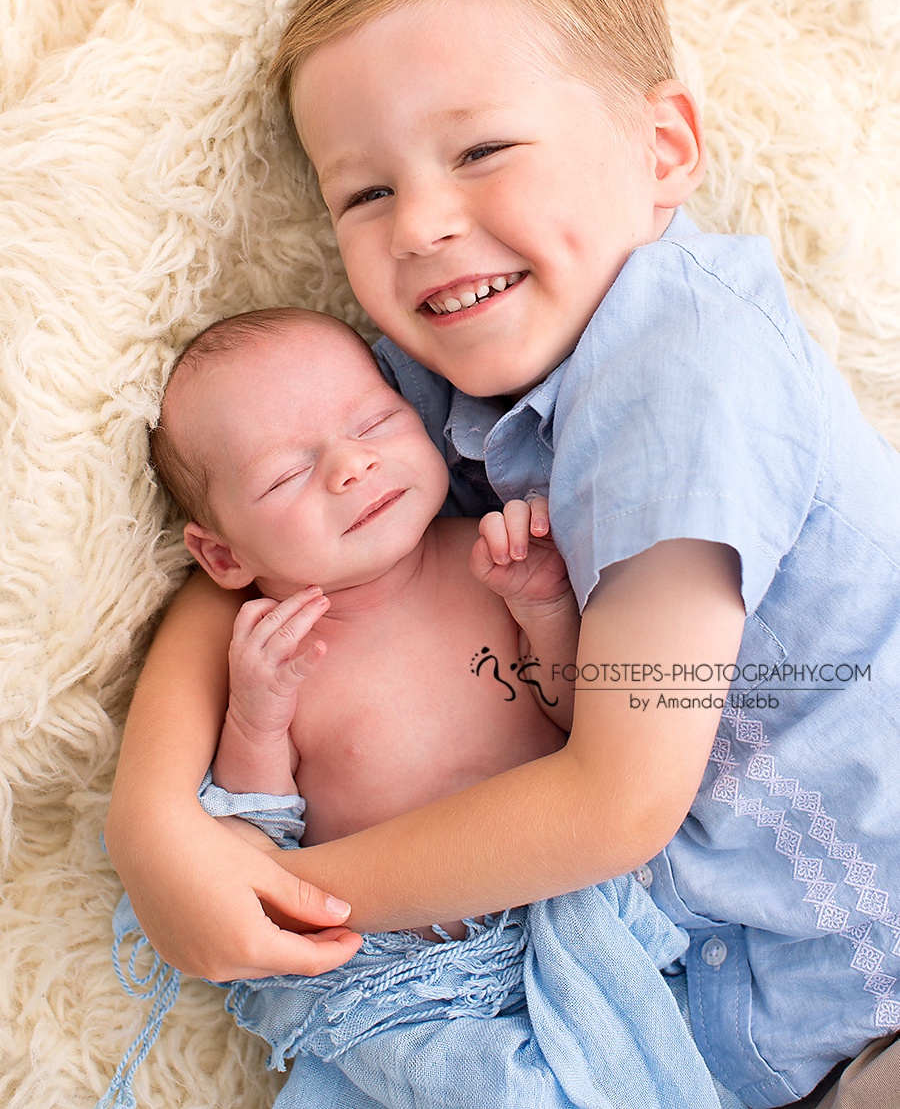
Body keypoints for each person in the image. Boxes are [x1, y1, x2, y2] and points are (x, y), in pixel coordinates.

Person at [104, 0, 900, 1108]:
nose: (421, 223)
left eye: (480, 152)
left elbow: (616, 800)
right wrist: (155, 822)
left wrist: (289, 899)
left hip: (857, 966)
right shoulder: (449, 374)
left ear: (664, 151)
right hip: (703, 1005)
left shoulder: (681, 372)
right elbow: (268, 562)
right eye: (363, 195)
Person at [102, 304, 730, 1109]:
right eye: (287, 474)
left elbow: (586, 725)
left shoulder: (488, 559)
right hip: (405, 988)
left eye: (374, 420)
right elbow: (251, 840)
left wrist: (543, 614)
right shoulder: (270, 656)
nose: (351, 466)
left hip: (570, 920)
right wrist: (258, 715)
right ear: (222, 554)